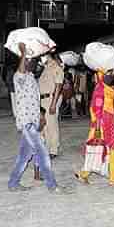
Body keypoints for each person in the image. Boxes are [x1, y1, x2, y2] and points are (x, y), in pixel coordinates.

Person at [8, 43, 67, 194]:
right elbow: (21, 70)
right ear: (26, 62)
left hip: (33, 121)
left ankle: (13, 183)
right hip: (26, 123)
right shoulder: (19, 77)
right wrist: (23, 53)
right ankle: (52, 185)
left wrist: (40, 116)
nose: (36, 63)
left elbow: (35, 100)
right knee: (42, 152)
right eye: (33, 60)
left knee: (24, 156)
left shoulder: (32, 77)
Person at [76, 69, 114, 185]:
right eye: (108, 74)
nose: (110, 76)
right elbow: (95, 110)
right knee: (96, 149)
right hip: (101, 125)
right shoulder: (100, 89)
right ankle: (84, 174)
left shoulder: (109, 89)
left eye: (111, 74)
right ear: (101, 75)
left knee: (112, 149)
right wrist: (97, 128)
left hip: (110, 124)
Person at [38, 53, 64, 158]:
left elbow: (58, 86)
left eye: (42, 56)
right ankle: (47, 148)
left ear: (48, 56)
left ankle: (53, 150)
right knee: (45, 126)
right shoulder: (46, 68)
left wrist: (53, 104)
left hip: (50, 99)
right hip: (43, 99)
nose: (41, 58)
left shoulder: (56, 67)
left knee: (51, 125)